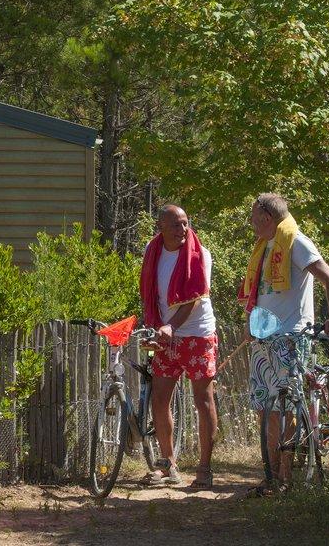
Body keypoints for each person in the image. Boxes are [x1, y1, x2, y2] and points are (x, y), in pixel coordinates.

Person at [240, 193, 329, 495]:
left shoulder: (297, 242)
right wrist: (250, 325)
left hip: (291, 337)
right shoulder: (264, 246)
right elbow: (258, 293)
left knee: (287, 406)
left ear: (268, 218)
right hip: (263, 339)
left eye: (253, 216)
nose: (250, 222)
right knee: (266, 408)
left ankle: (283, 477)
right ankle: (272, 477)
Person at [139, 205, 219, 489]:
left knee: (203, 400)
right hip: (165, 336)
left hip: (197, 334)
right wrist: (157, 328)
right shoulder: (152, 252)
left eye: (185, 223)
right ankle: (167, 464)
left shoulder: (200, 254)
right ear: (161, 225)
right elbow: (151, 294)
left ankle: (205, 468)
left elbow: (192, 300)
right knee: (160, 399)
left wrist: (171, 326)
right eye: (175, 225)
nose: (182, 230)